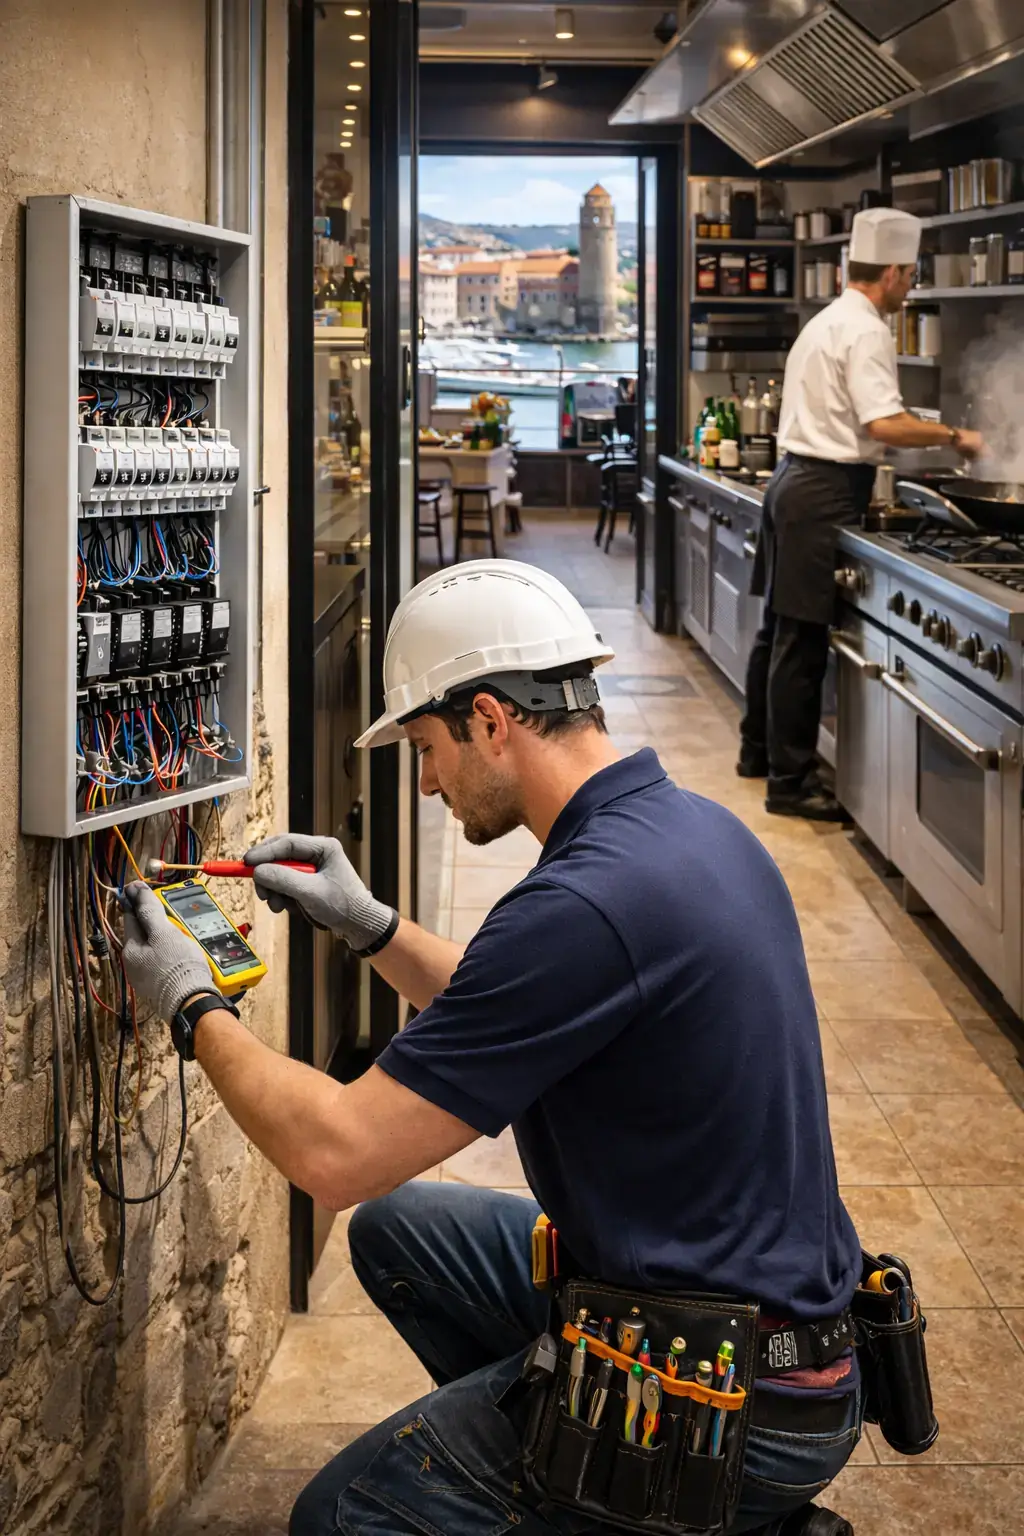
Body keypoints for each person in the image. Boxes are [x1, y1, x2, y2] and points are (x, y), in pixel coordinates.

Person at [122, 560, 864, 1536]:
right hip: (772, 1329)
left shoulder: (584, 907)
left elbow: (334, 1154)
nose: (425, 783)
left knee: (339, 1516)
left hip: (738, 1397)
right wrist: (368, 924)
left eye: (426, 747)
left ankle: (637, 1498)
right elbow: (523, 999)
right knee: (401, 1233)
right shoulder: (688, 832)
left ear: (488, 718)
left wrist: (192, 1003)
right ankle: (572, 1476)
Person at [740, 207, 984, 821]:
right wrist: (954, 435)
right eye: (911, 277)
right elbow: (882, 424)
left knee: (779, 634)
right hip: (821, 492)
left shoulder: (828, 319)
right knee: (801, 642)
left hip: (792, 482)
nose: (911, 288)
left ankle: (758, 754)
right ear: (896, 273)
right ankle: (790, 785)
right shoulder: (869, 328)